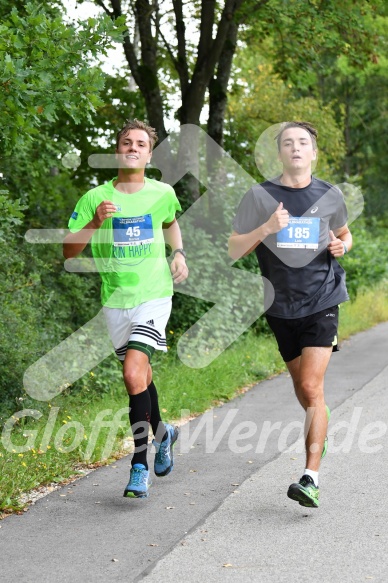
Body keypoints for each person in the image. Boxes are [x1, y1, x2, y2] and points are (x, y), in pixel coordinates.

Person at [228, 121, 352, 508]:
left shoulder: (330, 195)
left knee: (312, 388)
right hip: (280, 307)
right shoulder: (259, 196)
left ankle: (310, 477)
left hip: (322, 300)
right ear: (279, 153)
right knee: (304, 391)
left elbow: (345, 233)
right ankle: (321, 423)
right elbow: (233, 249)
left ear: (313, 153)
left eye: (303, 143)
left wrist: (342, 247)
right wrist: (267, 227)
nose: (296, 148)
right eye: (288, 143)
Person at [63, 119, 188, 499]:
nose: (132, 148)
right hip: (115, 300)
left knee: (133, 375)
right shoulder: (93, 198)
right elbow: (69, 250)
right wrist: (96, 221)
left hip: (153, 295)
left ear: (149, 154)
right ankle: (164, 431)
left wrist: (178, 253)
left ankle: (138, 465)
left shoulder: (162, 192)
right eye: (126, 142)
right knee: (142, 376)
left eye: (140, 144)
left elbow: (170, 223)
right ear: (117, 150)